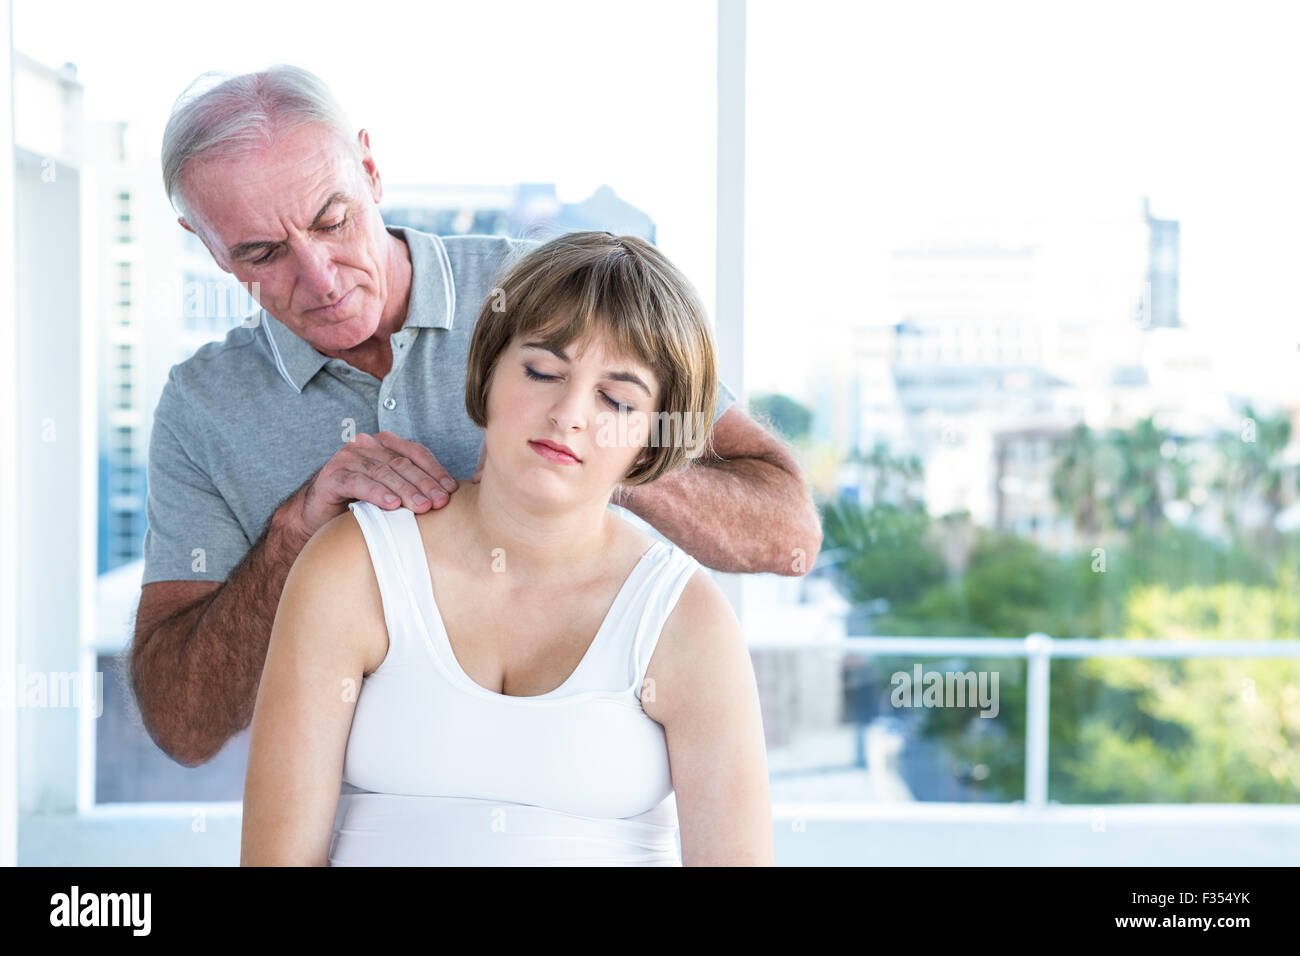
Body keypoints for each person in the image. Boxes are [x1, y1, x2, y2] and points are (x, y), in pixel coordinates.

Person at [130, 64, 822, 771]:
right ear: (206, 244)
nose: (321, 277)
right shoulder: (203, 406)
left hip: (588, 774)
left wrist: (588, 456)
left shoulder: (543, 297)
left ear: (370, 169)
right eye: (261, 254)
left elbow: (788, 532)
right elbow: (183, 729)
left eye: (331, 221)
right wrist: (293, 536)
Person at [240, 232, 775, 865]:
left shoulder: (686, 620)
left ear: (651, 440)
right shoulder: (351, 568)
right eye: (544, 371)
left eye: (616, 398)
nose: (569, 413)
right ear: (487, 373)